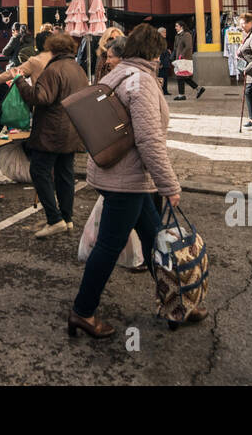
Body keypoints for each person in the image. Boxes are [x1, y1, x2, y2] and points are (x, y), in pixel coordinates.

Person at [69, 24, 180, 339]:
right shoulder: (141, 81)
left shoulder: (115, 74)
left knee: (154, 238)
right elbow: (149, 140)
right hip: (127, 178)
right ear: (154, 53)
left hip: (116, 172)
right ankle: (83, 311)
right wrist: (169, 185)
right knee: (108, 245)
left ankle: (175, 303)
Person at [15, 32, 87, 238]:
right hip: (72, 128)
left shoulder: (53, 70)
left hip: (51, 130)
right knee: (65, 174)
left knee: (39, 171)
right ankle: (67, 218)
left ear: (52, 49)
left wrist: (20, 81)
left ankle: (54, 219)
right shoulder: (78, 69)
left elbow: (40, 98)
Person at [170, 21, 205, 101]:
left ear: (181, 27)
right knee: (183, 76)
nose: (175, 28)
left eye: (177, 26)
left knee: (181, 76)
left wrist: (181, 54)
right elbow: (175, 48)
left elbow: (188, 46)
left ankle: (181, 95)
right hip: (179, 59)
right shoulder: (177, 36)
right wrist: (173, 56)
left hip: (184, 59)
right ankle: (198, 89)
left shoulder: (186, 35)